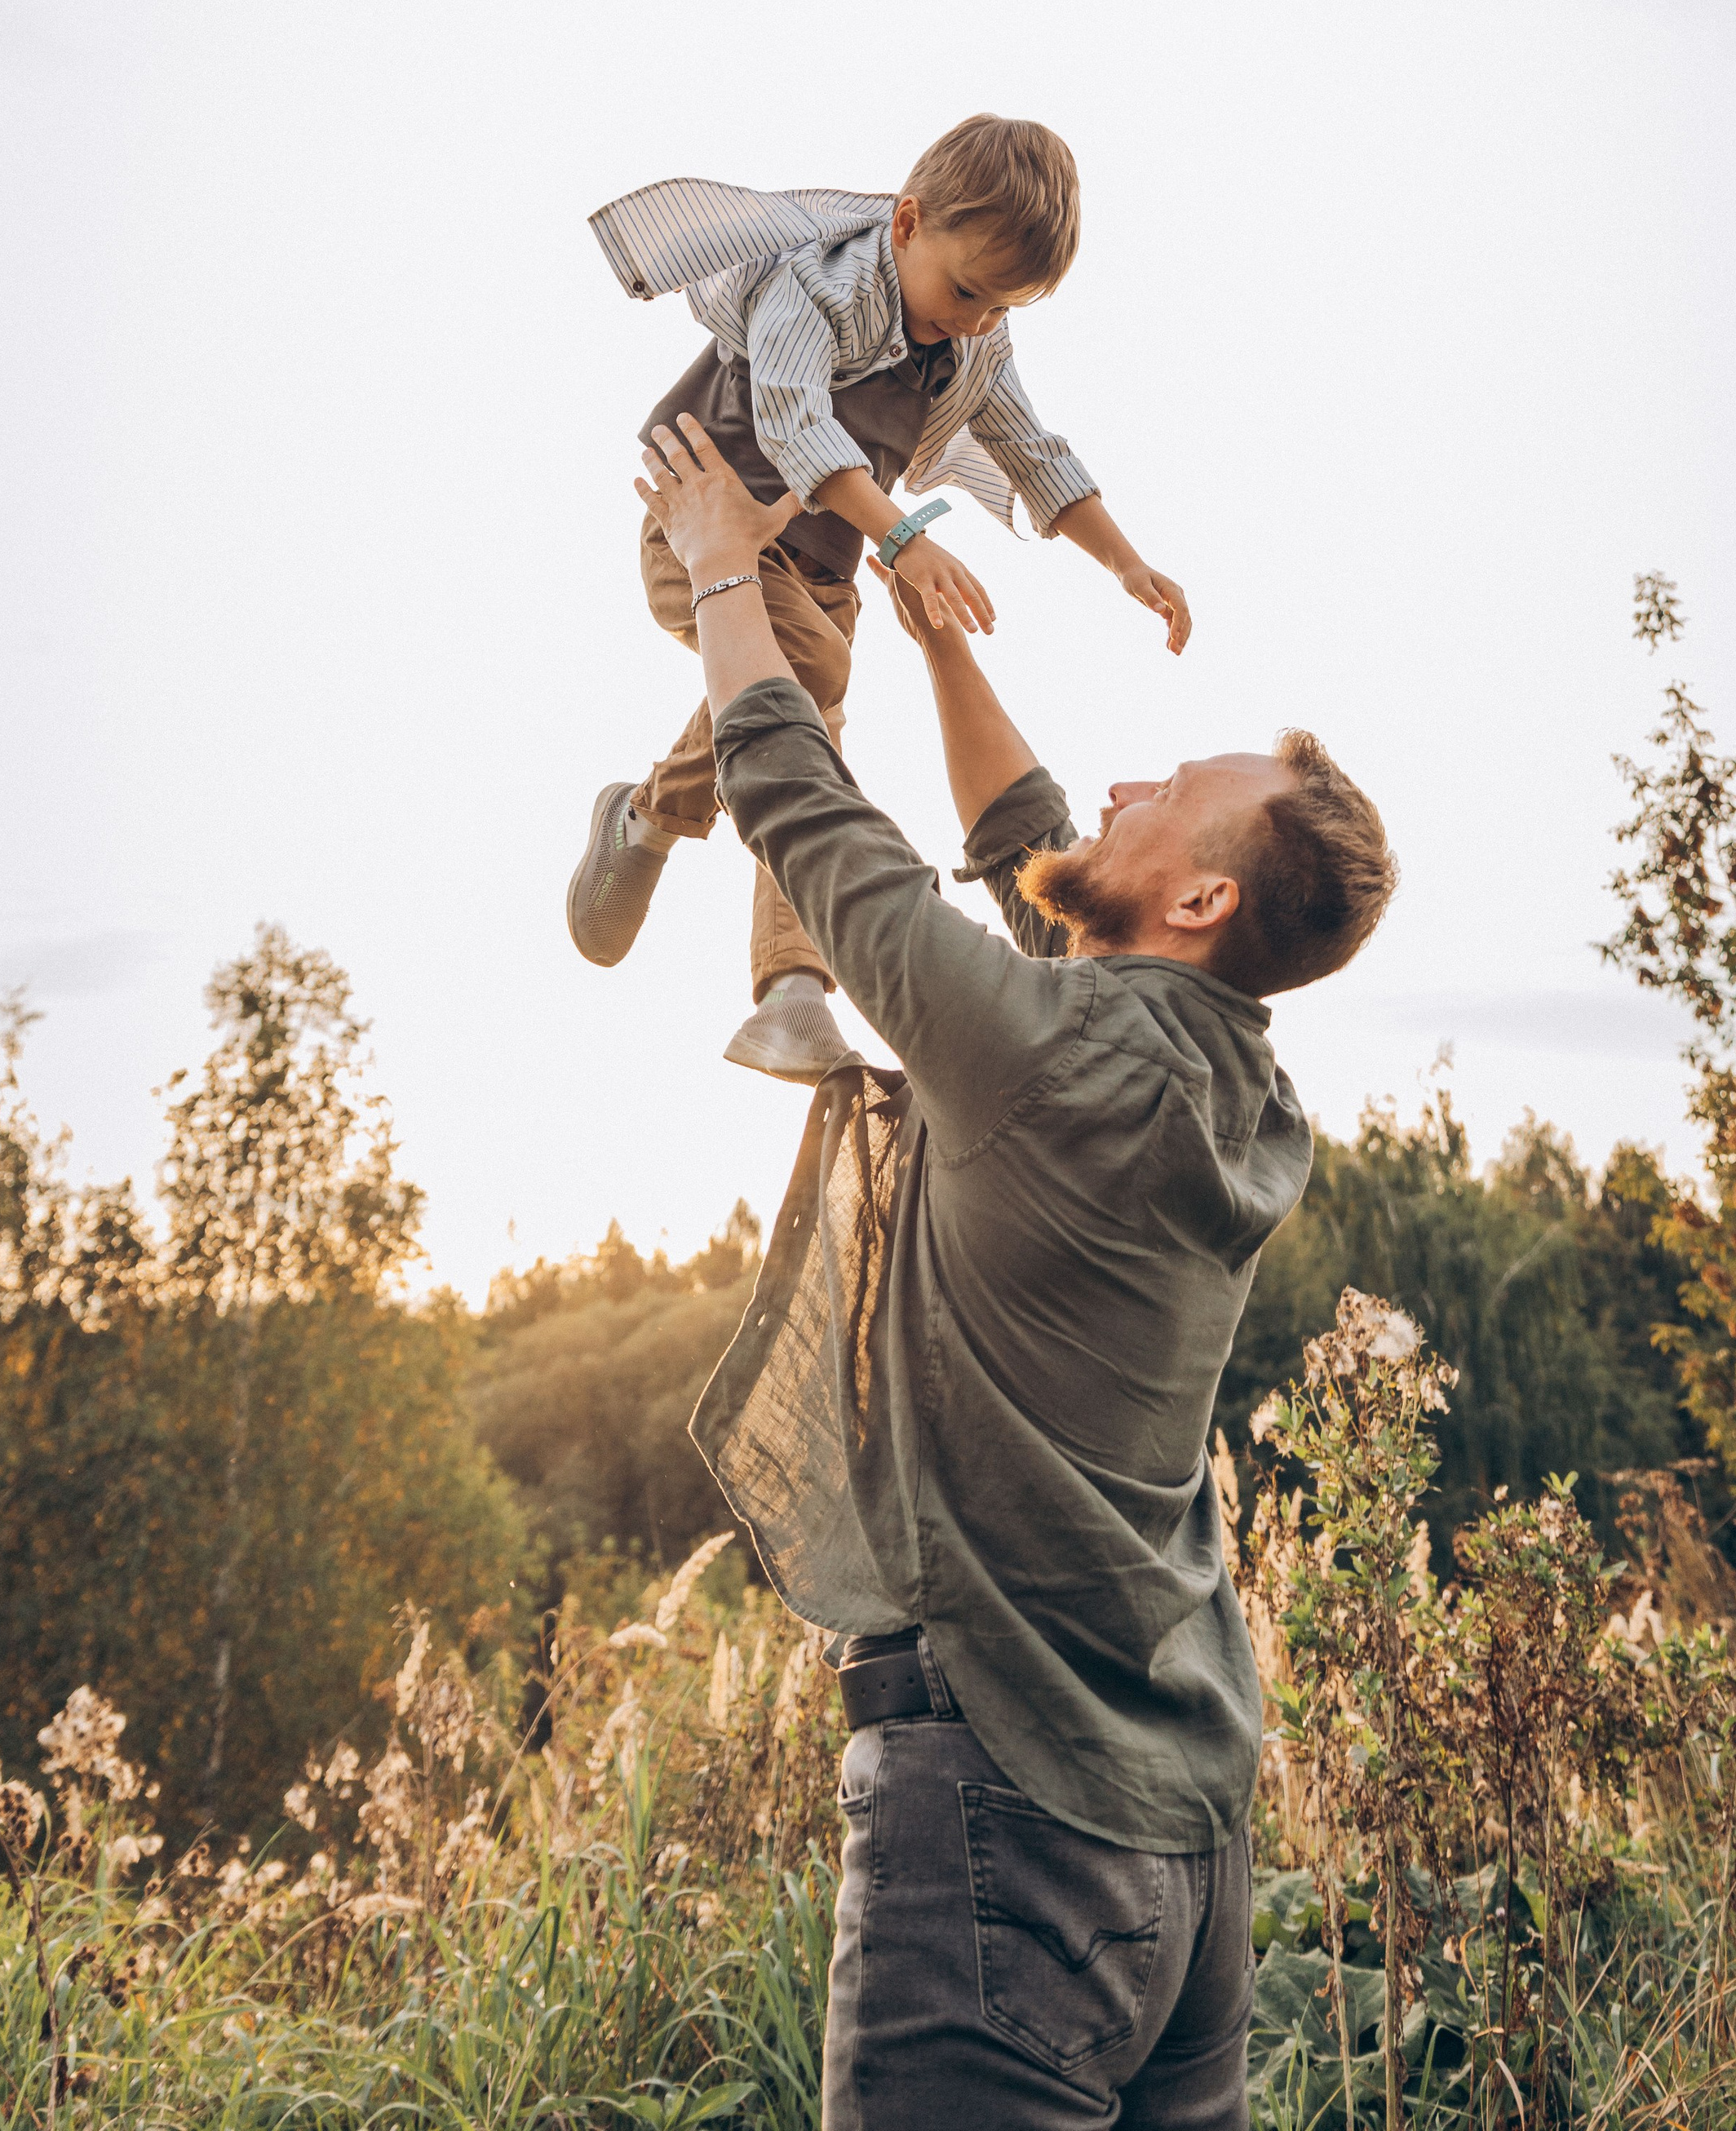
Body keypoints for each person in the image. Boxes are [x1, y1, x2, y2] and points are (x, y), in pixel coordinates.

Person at [632, 412, 1397, 2131]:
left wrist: (722, 574)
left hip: (1011, 1818)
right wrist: (935, 637)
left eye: (1165, 796)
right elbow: (1032, 843)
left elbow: (813, 823)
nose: (1120, 785)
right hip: (1188, 1841)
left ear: (1200, 897)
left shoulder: (1050, 1057)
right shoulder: (1231, 1084)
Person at [567, 114, 1191, 1082]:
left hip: (821, 572)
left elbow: (1032, 451)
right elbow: (794, 422)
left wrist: (1125, 562)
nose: (976, 321)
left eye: (1002, 306)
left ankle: (789, 989)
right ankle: (662, 833)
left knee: (802, 751)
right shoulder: (810, 285)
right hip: (705, 529)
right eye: (966, 292)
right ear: (906, 224)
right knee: (808, 674)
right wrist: (904, 538)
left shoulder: (978, 343)